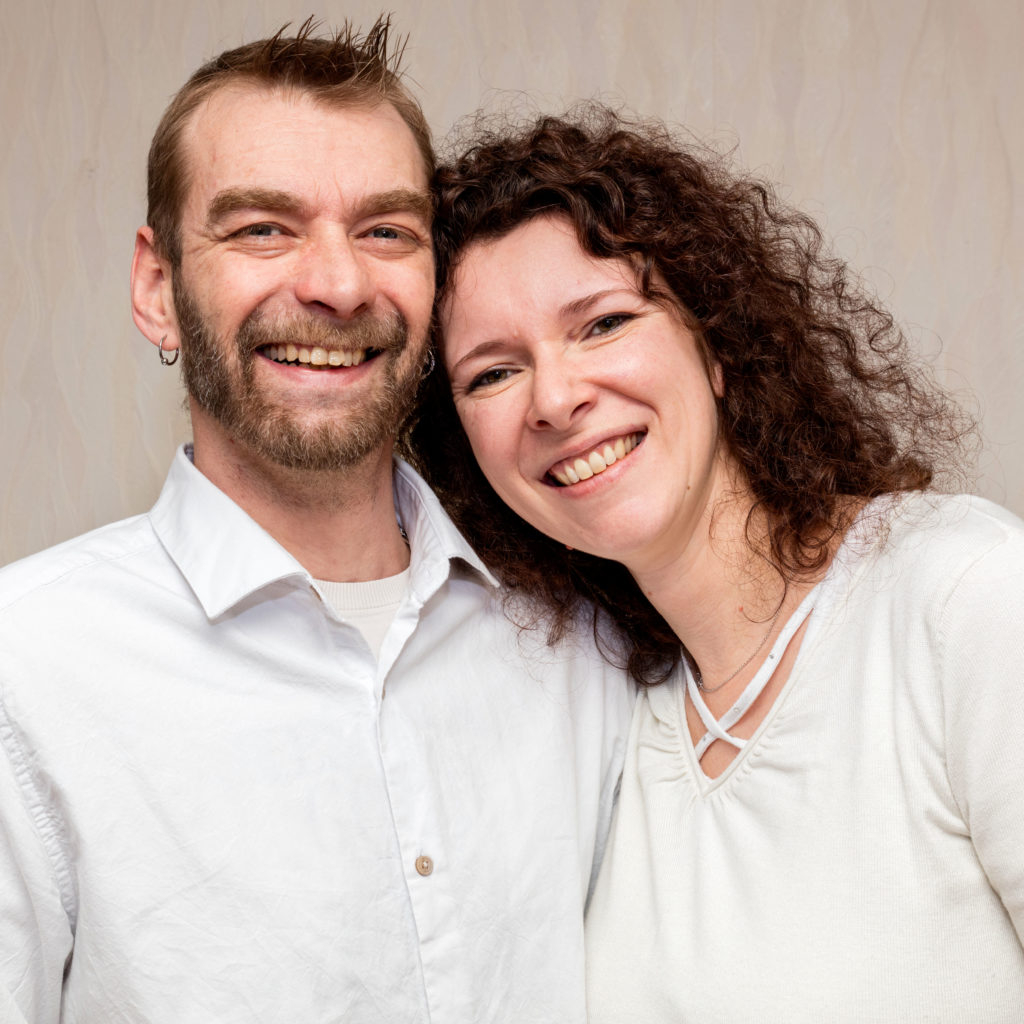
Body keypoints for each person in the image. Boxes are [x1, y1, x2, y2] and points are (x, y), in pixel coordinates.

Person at [0, 28, 632, 1023]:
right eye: (261, 228)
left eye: (385, 231)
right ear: (157, 288)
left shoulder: (581, 638)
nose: (337, 285)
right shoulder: (25, 671)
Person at [406, 105, 1024, 1020]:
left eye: (604, 322)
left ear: (716, 343)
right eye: (492, 373)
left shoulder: (959, 596)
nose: (556, 397)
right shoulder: (618, 721)